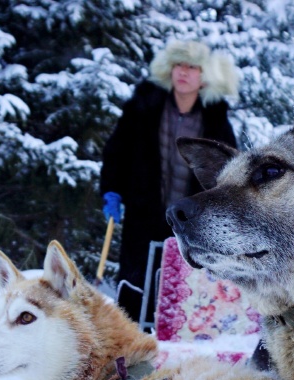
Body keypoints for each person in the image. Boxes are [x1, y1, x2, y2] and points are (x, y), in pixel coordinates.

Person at [100, 41, 239, 322]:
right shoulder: (142, 107)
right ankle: (132, 338)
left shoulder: (215, 118)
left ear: (204, 77)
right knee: (135, 279)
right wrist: (111, 191)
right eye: (178, 65)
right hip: (143, 212)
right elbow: (117, 150)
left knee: (183, 284)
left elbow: (228, 168)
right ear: (168, 70)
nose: (183, 73)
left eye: (192, 67)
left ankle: (177, 340)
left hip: (192, 219)